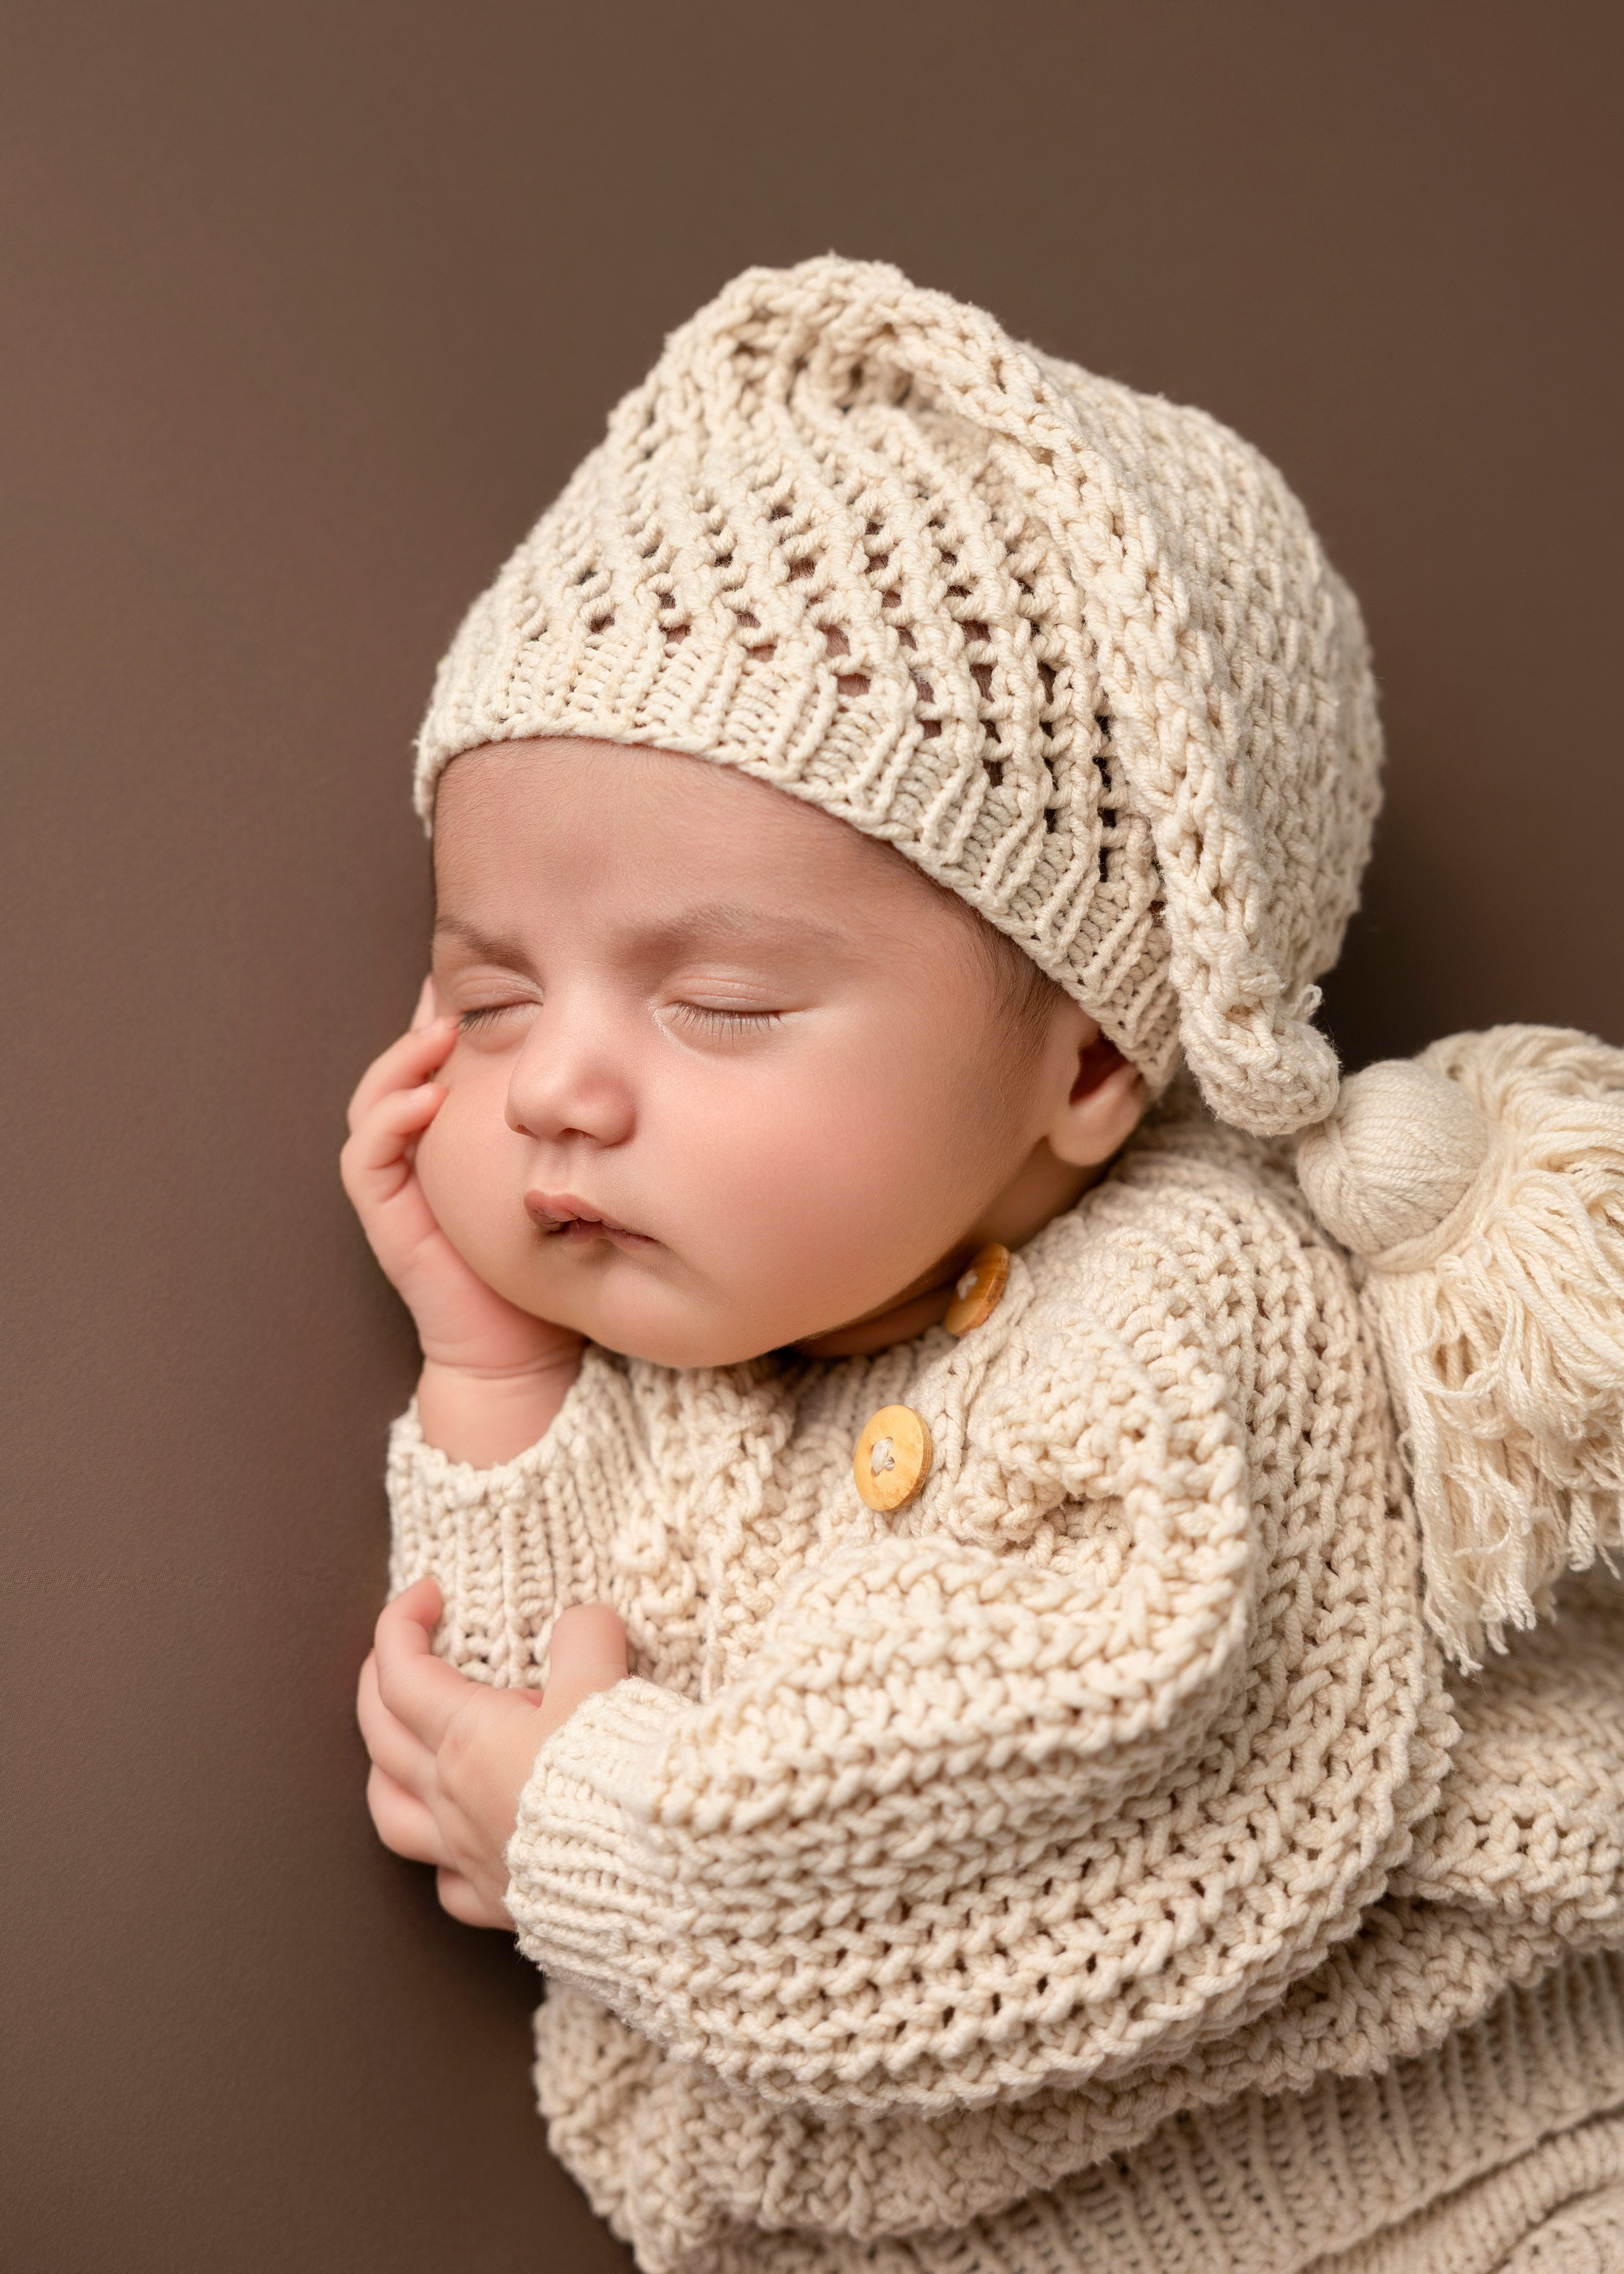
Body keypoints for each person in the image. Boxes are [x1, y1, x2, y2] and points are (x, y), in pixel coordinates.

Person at [343, 258, 1624, 2274]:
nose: (558, 1092)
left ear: (1093, 1062)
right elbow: (505, 1741)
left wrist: (596, 1834)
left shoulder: (1192, 1313)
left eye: (729, 1005)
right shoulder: (706, 1366)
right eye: (491, 999)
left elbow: (1099, 1799)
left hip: (1444, 2187)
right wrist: (493, 1377)